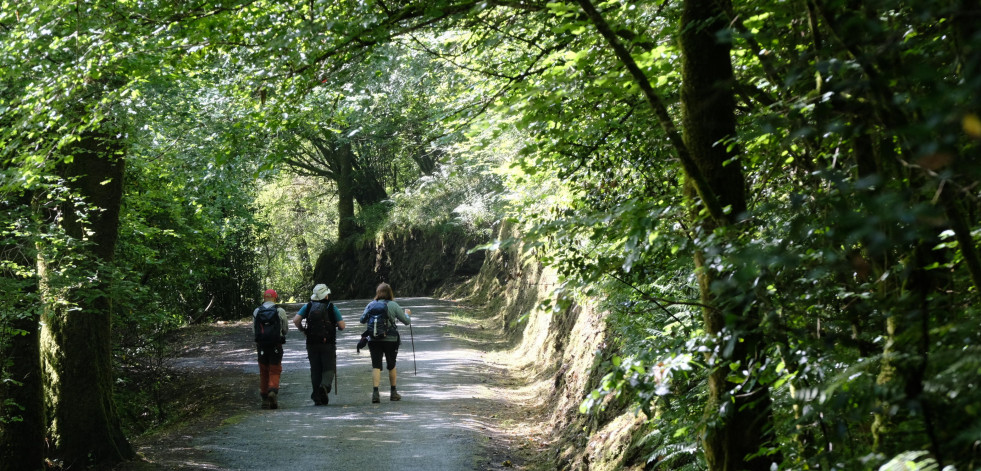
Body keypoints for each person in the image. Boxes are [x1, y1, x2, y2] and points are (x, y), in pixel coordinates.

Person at [293, 283, 346, 406]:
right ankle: (324, 386)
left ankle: (317, 396)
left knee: (315, 369)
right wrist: (336, 326)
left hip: (311, 342)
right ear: (326, 295)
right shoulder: (331, 307)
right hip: (328, 343)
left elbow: (296, 320)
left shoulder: (308, 306)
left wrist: (303, 330)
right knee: (329, 367)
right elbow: (342, 326)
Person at [359, 282, 411, 403]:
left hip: (374, 340)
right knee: (391, 365)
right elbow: (406, 321)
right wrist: (407, 315)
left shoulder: (371, 305)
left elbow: (362, 320)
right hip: (391, 340)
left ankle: (375, 393)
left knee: (376, 366)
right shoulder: (393, 305)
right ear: (390, 293)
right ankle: (393, 392)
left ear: (378, 293)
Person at [253, 289, 289, 409]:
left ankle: (264, 398)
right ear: (275, 298)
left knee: (263, 370)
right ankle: (272, 390)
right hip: (275, 345)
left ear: (264, 298)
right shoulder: (280, 311)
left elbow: (255, 330)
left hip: (262, 346)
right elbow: (285, 329)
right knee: (275, 369)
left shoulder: (257, 311)